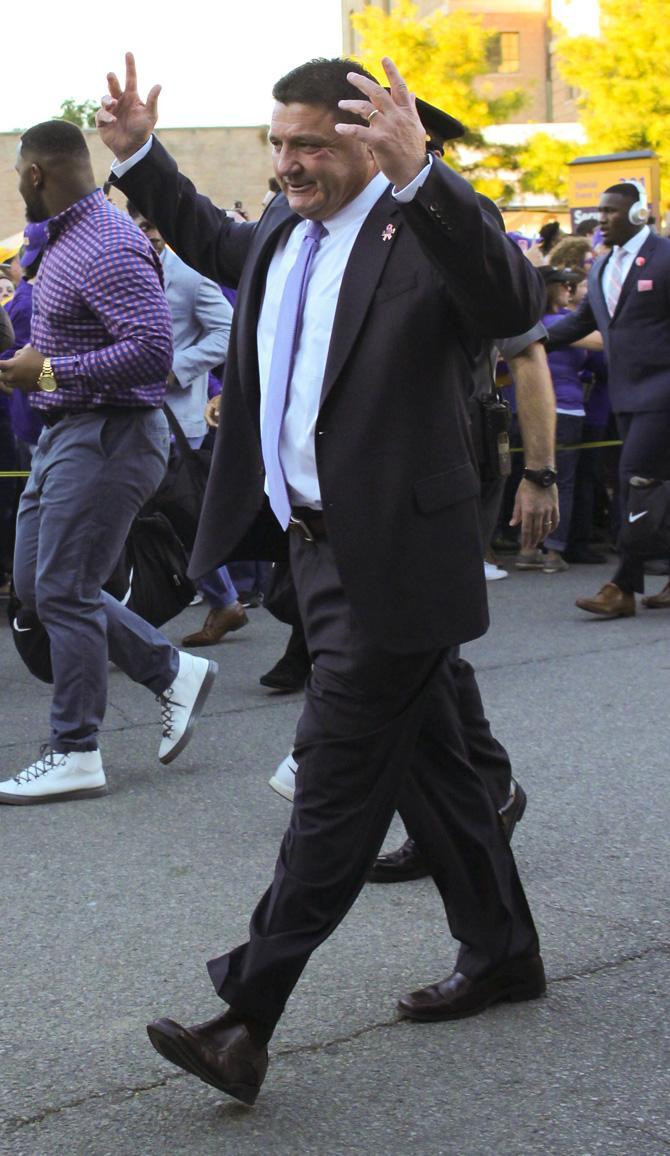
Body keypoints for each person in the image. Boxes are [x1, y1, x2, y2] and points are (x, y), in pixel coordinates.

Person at [98, 52, 546, 1105]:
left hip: (396, 554)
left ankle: (245, 1016)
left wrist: (422, 174)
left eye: (312, 143)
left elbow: (508, 291)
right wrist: (142, 157)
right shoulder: (285, 239)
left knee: (334, 787)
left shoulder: (421, 233)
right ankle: (504, 951)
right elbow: (211, 238)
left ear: (367, 141)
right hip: (313, 550)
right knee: (435, 770)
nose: (291, 163)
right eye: (280, 143)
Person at [0, 120, 217, 803]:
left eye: (16, 177)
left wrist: (51, 373)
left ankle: (77, 749)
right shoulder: (64, 240)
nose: (15, 189)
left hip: (110, 436)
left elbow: (153, 354)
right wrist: (30, 368)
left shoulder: (106, 243)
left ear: (37, 173)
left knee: (62, 587)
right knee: (40, 586)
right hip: (71, 433)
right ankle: (170, 670)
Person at [126, 202, 248, 646]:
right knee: (158, 521)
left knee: (177, 520)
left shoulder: (189, 273)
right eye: (140, 223)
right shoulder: (125, 267)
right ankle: (218, 602)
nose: (149, 232)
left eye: (154, 223)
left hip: (178, 422)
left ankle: (135, 626)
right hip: (131, 418)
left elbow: (228, 329)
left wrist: (176, 368)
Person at [547, 181, 670, 616]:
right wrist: (525, 342)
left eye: (611, 211)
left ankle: (623, 587)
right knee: (655, 486)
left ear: (638, 215)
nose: (600, 219)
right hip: (623, 396)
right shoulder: (599, 269)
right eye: (599, 211)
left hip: (662, 395)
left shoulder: (665, 255)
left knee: (634, 483)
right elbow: (579, 322)